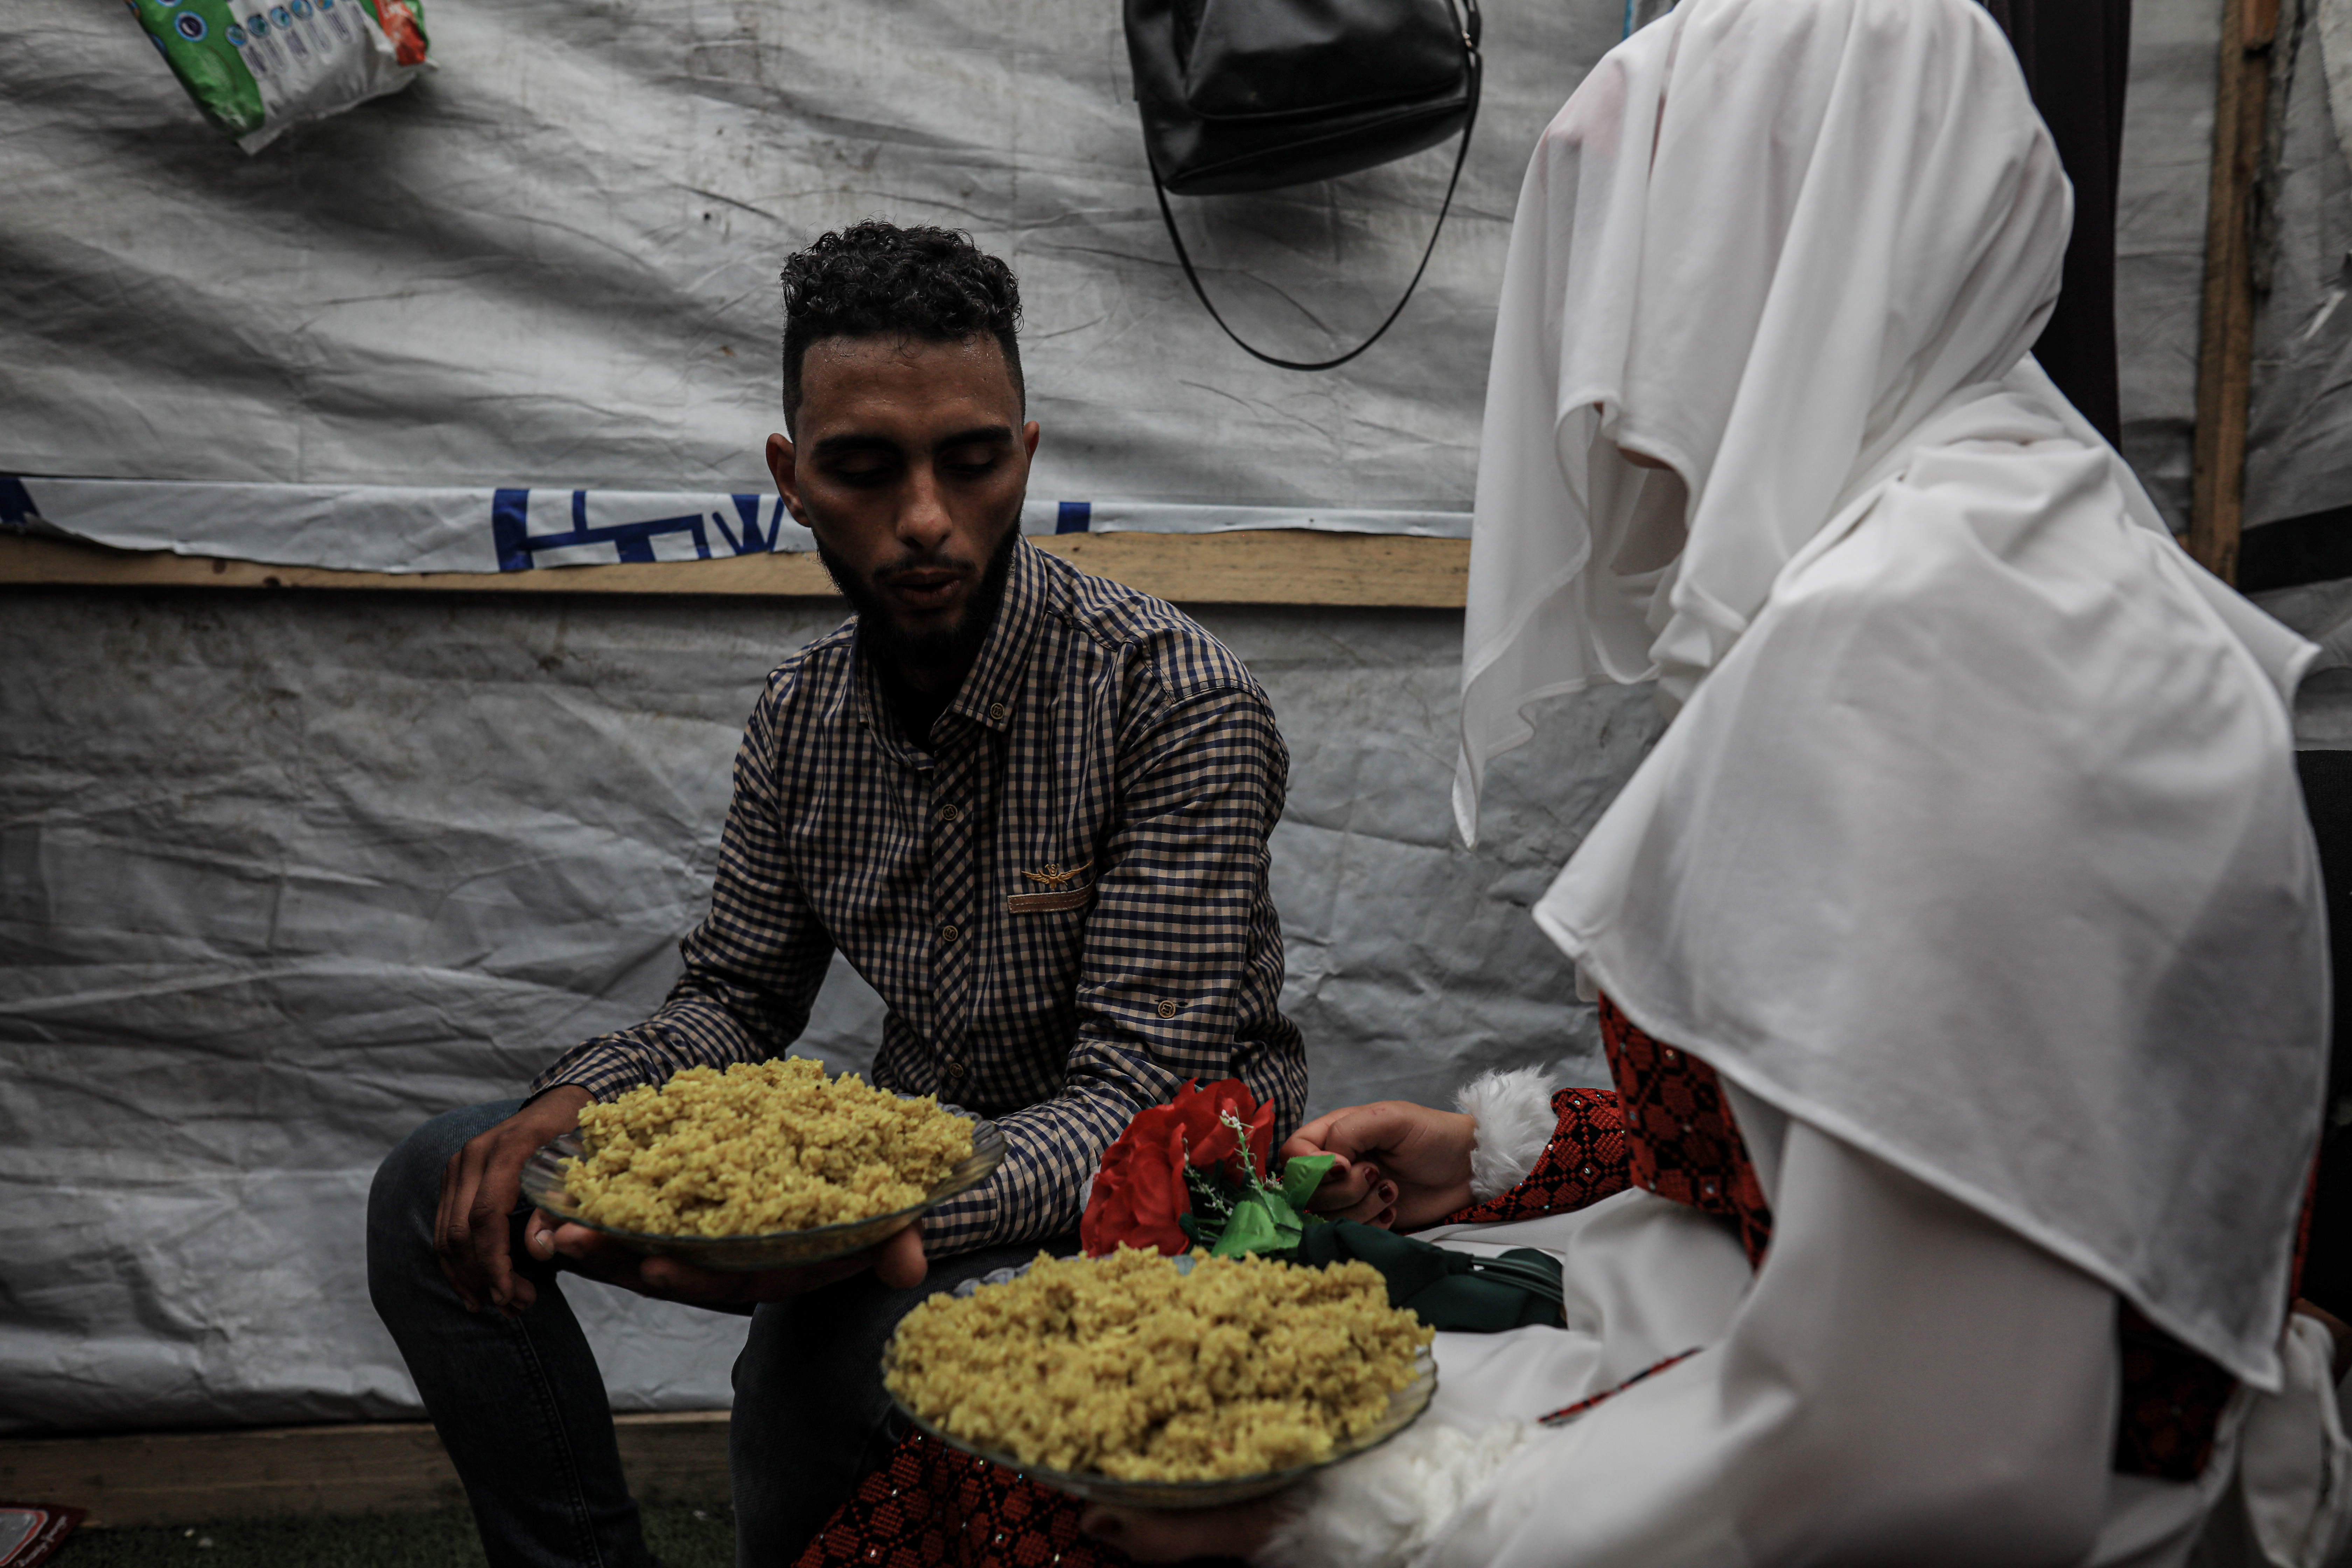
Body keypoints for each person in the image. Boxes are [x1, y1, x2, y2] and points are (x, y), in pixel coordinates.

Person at [1076, 1, 2351, 1564]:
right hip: (1772, 1363)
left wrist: (1354, 1518)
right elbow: (1921, 1145)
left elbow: (1941, 1452)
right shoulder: (2026, 534)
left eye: (1646, 286)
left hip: (1886, 1484)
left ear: (1792, 261)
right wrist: (1505, 1153)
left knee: (1085, 1470)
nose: (1602, 397)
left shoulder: (1932, 639)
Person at [365, 220, 1308, 1568]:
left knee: (832, 1349)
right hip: (911, 1184)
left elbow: (1136, 1104)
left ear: (1026, 457)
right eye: (864, 469)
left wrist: (856, 1227)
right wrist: (577, 1099)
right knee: (441, 1186)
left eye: (972, 462)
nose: (923, 518)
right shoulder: (802, 716)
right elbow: (738, 998)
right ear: (793, 480)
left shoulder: (1174, 702)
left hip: (1169, 1192)